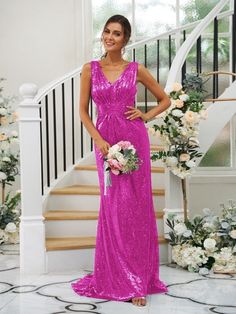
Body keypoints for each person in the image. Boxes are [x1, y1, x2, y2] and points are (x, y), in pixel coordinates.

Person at [71, 14, 171, 308]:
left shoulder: (136, 69)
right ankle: (116, 275)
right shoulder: (90, 69)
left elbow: (164, 100)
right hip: (105, 143)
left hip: (134, 142)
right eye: (106, 32)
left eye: (116, 33)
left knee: (136, 208)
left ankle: (138, 279)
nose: (109, 37)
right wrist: (99, 141)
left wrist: (146, 116)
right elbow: (83, 112)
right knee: (113, 206)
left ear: (125, 40)